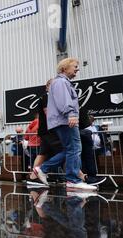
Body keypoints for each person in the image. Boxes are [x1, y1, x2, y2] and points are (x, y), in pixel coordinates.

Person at [33, 58, 96, 190]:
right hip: (65, 120)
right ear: (64, 68)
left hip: (62, 121)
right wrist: (71, 114)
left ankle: (43, 169)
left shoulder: (60, 82)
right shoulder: (61, 82)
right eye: (74, 66)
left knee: (70, 149)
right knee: (74, 149)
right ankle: (72, 179)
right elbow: (64, 101)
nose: (77, 69)